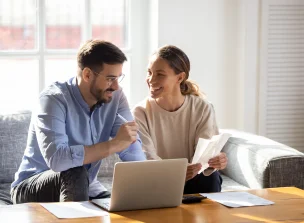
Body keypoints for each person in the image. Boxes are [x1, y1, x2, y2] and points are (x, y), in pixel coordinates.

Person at [11, 40, 146, 203]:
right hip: (31, 186)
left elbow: (130, 144)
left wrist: (146, 182)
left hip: (86, 186)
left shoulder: (115, 97)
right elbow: (58, 160)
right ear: (87, 74)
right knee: (75, 171)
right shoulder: (53, 100)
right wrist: (113, 145)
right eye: (110, 78)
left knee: (121, 207)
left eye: (118, 78)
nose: (116, 86)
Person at [133, 45, 227, 194]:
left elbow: (205, 155)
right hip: (159, 181)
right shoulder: (140, 112)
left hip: (195, 178)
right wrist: (177, 172)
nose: (151, 80)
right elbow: (147, 158)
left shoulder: (202, 107)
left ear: (180, 77)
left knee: (209, 177)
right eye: (149, 72)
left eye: (160, 74)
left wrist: (214, 161)